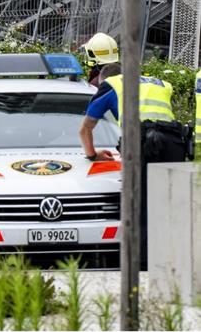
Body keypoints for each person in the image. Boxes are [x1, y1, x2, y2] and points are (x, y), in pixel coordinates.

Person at [79, 47, 189, 268]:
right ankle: (173, 257)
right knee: (168, 202)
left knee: (139, 202)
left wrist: (92, 155)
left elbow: (85, 129)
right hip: (174, 142)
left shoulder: (111, 85)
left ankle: (142, 263)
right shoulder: (158, 83)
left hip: (143, 143)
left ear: (104, 79)